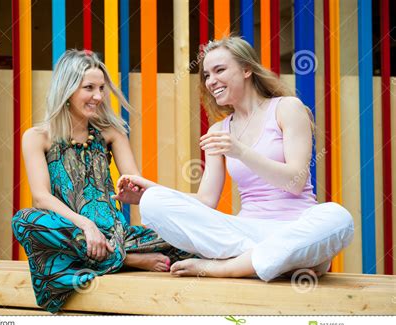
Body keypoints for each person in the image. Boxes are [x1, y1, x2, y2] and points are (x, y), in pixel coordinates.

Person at [114, 36, 354, 282]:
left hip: (296, 226)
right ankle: (281, 260)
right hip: (245, 234)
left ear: (247, 69)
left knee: (338, 218)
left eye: (219, 70)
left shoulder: (287, 108)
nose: (211, 81)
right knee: (154, 202)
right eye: (206, 75)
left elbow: (295, 181)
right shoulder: (218, 131)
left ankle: (227, 267)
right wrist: (148, 192)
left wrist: (240, 151)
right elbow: (206, 201)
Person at [11, 49, 191, 313]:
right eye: (89, 88)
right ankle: (127, 260)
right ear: (67, 89)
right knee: (24, 221)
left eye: (101, 88)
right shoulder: (37, 136)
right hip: (72, 232)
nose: (98, 96)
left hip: (116, 234)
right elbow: (41, 197)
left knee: (189, 242)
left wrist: (179, 206)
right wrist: (85, 225)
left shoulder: (111, 132)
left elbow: (137, 182)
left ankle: (112, 254)